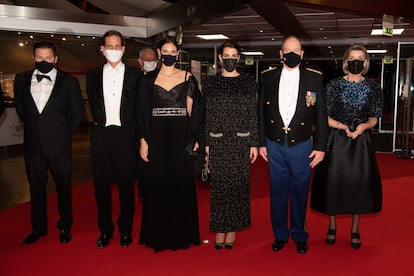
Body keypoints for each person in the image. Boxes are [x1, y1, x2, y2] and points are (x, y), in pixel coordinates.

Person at [258, 35, 328, 254]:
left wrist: (321, 146)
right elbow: (260, 112)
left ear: (302, 54)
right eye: (287, 51)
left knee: (299, 192)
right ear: (280, 54)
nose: (291, 54)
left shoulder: (314, 79)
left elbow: (321, 114)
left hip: (302, 145)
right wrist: (260, 143)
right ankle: (280, 234)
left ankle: (298, 234)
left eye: (295, 51)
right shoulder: (267, 77)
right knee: (278, 192)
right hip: (274, 144)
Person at [310, 44, 383, 250]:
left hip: (360, 142)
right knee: (334, 182)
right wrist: (342, 126)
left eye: (360, 58)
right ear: (346, 61)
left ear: (366, 62)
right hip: (336, 140)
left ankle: (355, 229)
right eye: (352, 58)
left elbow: (374, 119)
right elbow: (323, 116)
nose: (356, 61)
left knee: (358, 185)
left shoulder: (373, 87)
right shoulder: (333, 85)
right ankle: (332, 226)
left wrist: (363, 127)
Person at [14, 41, 84, 245]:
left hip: (59, 146)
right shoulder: (21, 79)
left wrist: (62, 134)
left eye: (47, 57)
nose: (43, 61)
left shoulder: (68, 82)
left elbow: (78, 113)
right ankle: (38, 229)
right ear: (34, 57)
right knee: (35, 188)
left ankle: (65, 226)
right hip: (33, 145)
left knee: (63, 187)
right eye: (39, 57)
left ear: (55, 59)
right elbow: (21, 109)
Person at [138, 36, 203, 252]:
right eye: (164, 50)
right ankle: (158, 235)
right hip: (156, 137)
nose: (168, 54)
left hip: (180, 135)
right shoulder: (147, 80)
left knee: (181, 181)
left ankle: (182, 234)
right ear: (159, 53)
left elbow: (194, 111)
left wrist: (194, 138)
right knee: (157, 182)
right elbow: (142, 113)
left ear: (177, 54)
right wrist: (143, 140)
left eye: (172, 51)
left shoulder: (187, 77)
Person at [87, 30, 141, 248]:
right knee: (101, 187)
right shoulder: (92, 75)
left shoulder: (136, 75)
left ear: (124, 49)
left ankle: (125, 229)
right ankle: (105, 230)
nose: (113, 50)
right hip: (101, 135)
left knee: (127, 186)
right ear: (102, 49)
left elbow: (139, 108)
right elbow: (92, 104)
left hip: (126, 135)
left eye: (117, 46)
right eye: (109, 46)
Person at [202, 40, 259, 250]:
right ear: (220, 58)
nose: (230, 60)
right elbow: (206, 115)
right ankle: (220, 229)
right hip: (217, 141)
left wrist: (254, 143)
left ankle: (233, 229)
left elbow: (252, 114)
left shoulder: (248, 82)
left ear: (239, 58)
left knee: (238, 187)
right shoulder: (210, 83)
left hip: (240, 141)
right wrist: (206, 143)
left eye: (234, 56)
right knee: (219, 188)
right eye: (226, 56)